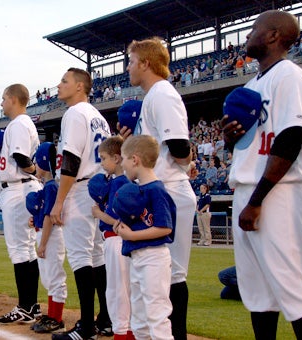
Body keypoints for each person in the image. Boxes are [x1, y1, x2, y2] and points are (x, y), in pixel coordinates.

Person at [222, 10, 302, 339]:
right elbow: (256, 143)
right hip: (250, 188)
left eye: (253, 30)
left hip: (280, 193)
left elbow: (290, 140)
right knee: (257, 294)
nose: (248, 36)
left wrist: (257, 199)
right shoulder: (254, 84)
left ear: (273, 35)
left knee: (295, 289)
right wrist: (231, 139)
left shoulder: (290, 77)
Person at [123, 37, 196, 340]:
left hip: (170, 191)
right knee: (158, 278)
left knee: (172, 275)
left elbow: (179, 145)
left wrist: (188, 161)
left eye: (131, 61)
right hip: (161, 190)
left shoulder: (162, 93)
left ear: (145, 63)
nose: (128, 67)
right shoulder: (153, 96)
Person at [50, 68, 111, 340]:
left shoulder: (74, 113)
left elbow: (71, 161)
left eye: (65, 81)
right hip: (99, 188)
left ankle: (86, 327)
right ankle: (106, 319)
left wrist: (59, 201)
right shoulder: (98, 117)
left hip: (81, 187)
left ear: (79, 87)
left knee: (80, 257)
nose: (59, 85)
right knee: (97, 255)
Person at [114, 134, 175, 340]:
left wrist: (132, 234)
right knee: (139, 320)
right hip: (137, 256)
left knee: (157, 316)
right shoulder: (138, 189)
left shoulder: (156, 189)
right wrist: (121, 226)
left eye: (123, 158)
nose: (122, 164)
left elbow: (164, 228)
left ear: (135, 159)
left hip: (154, 257)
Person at [0, 84, 42, 324]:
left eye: (4, 99)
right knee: (26, 249)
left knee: (20, 250)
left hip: (19, 188)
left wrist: (35, 172)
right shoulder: (21, 123)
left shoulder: (19, 123)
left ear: (13, 99)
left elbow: (22, 158)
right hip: (19, 187)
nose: (1, 103)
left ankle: (26, 306)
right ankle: (31, 305)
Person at [90, 136, 134, 339]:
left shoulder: (120, 182)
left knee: (118, 292)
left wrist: (99, 214)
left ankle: (122, 333)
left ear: (117, 158)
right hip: (117, 241)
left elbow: (117, 222)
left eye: (104, 158)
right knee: (123, 290)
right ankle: (127, 331)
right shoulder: (117, 182)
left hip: (116, 240)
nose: (101, 162)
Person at [26, 142, 67, 334]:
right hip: (44, 233)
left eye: (37, 161)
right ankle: (52, 314)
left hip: (51, 236)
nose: (35, 166)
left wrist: (42, 244)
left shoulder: (51, 186)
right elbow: (44, 214)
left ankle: (56, 318)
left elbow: (50, 216)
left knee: (55, 276)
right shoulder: (48, 185)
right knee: (49, 277)